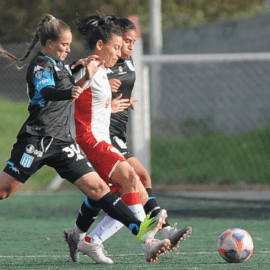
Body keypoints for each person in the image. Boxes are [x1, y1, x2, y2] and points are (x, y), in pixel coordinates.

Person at [0, 14, 168, 260]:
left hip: (63, 143)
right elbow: (47, 91)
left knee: (99, 188)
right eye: (63, 45)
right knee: (0, 191)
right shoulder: (41, 65)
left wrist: (86, 79)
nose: (68, 49)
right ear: (49, 43)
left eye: (70, 44)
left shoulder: (64, 65)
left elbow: (75, 84)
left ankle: (139, 230)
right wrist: (75, 86)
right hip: (36, 141)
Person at [63, 17, 192, 264]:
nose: (119, 51)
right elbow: (68, 84)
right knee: (133, 178)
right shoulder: (88, 67)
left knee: (122, 195)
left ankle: (90, 241)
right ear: (100, 45)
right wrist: (74, 73)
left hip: (102, 141)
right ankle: (148, 240)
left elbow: (91, 104)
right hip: (90, 142)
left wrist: (111, 106)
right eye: (115, 46)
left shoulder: (101, 71)